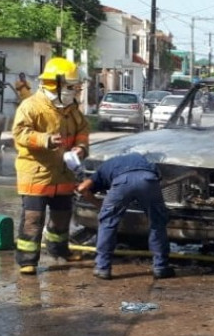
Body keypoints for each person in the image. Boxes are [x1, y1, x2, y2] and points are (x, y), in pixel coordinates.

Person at [12, 57, 90, 275]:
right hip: (36, 174)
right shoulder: (31, 106)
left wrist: (80, 149)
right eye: (71, 86)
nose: (75, 90)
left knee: (61, 217)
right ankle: (27, 260)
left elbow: (83, 132)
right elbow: (20, 133)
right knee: (33, 219)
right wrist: (44, 140)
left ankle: (59, 251)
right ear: (55, 85)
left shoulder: (72, 110)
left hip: (63, 175)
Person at [75, 152, 173, 281]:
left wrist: (98, 204)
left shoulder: (102, 170)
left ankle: (102, 268)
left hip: (122, 181)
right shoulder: (140, 158)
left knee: (107, 223)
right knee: (157, 222)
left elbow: (82, 188)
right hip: (148, 179)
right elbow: (154, 181)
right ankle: (161, 267)